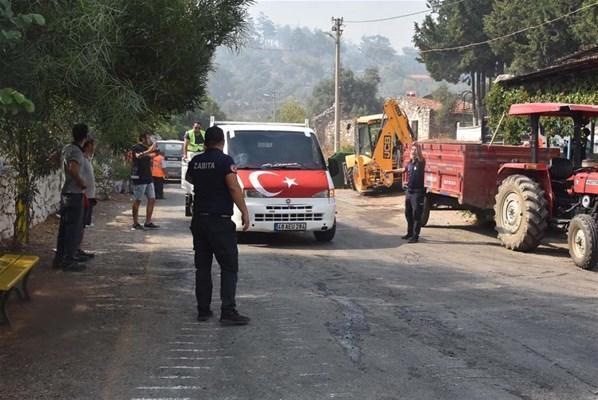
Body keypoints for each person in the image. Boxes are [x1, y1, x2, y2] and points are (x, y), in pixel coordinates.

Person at [185, 125, 251, 325]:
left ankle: (203, 310)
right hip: (220, 222)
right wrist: (245, 212)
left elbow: (189, 178)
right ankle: (228, 312)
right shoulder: (225, 161)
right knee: (229, 267)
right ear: (222, 143)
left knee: (203, 267)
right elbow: (233, 186)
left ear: (205, 143)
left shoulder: (196, 161)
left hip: (200, 220)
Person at [52, 123, 89, 272]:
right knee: (73, 229)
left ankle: (59, 259)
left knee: (64, 229)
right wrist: (81, 183)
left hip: (66, 194)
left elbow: (54, 159)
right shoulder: (76, 152)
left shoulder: (67, 148)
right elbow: (73, 169)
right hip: (74, 194)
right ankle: (69, 261)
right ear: (85, 137)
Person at [131, 132, 159, 230]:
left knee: (152, 199)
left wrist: (154, 151)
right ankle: (135, 223)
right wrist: (149, 150)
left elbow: (153, 155)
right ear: (142, 138)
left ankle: (148, 221)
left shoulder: (147, 148)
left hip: (148, 177)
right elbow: (138, 156)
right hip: (139, 177)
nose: (149, 140)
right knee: (137, 200)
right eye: (148, 138)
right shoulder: (136, 147)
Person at [402, 143, 426, 243]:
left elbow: (420, 158)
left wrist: (417, 154)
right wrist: (390, 171)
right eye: (412, 149)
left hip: (417, 192)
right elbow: (403, 170)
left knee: (416, 214)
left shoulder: (421, 162)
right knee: (408, 213)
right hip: (409, 191)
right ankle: (410, 233)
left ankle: (415, 236)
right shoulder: (410, 163)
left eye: (415, 150)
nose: (413, 151)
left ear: (419, 151)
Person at [82, 138, 97, 227]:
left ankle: (87, 222)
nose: (93, 148)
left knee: (89, 208)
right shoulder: (82, 159)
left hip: (90, 192)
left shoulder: (88, 159)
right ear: (87, 146)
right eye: (92, 146)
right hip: (85, 192)